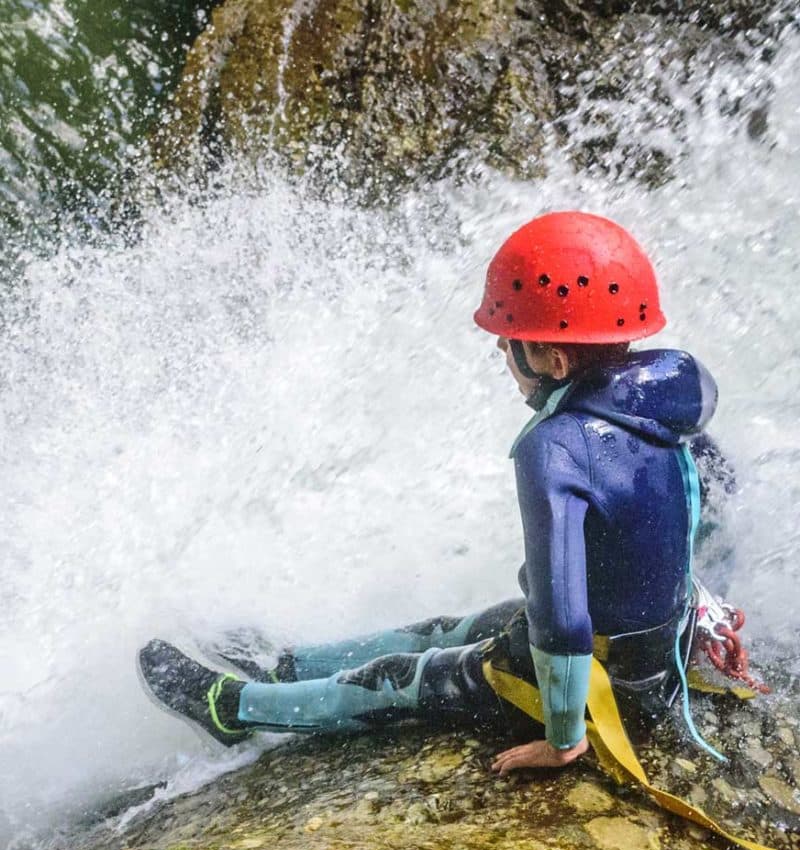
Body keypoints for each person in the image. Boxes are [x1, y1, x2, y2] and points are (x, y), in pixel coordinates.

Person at [137, 212, 734, 773]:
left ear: (552, 358)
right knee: (462, 625)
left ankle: (233, 710)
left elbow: (562, 620)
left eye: (510, 338)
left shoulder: (555, 448)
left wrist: (562, 739)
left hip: (607, 691)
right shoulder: (669, 400)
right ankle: (288, 665)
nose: (500, 347)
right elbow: (682, 520)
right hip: (654, 659)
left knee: (406, 675)